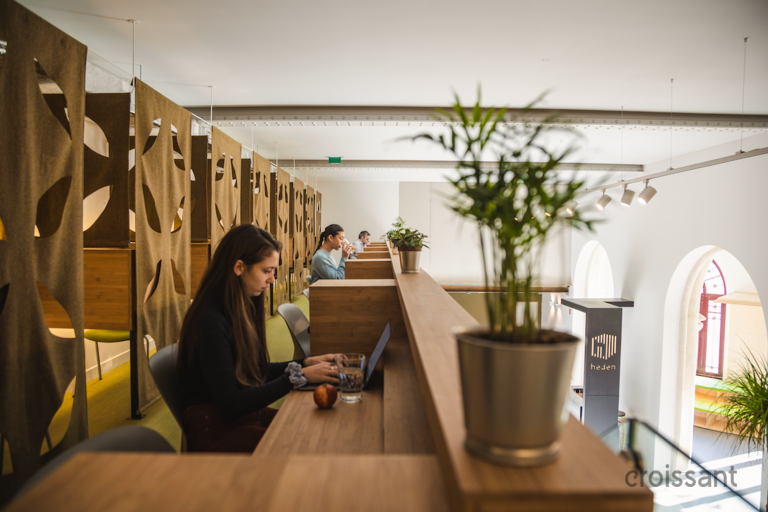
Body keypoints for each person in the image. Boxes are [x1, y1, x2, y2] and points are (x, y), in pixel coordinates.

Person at [176, 224, 340, 453]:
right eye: (267, 271)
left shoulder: (240, 306)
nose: (273, 279)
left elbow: (257, 369)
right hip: (216, 428)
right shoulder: (210, 320)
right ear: (239, 267)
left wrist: (304, 364)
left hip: (244, 415)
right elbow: (230, 403)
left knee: (313, 429)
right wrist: (297, 377)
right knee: (306, 445)